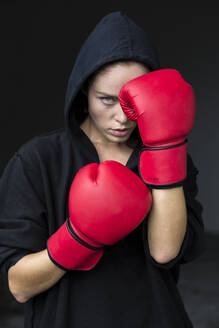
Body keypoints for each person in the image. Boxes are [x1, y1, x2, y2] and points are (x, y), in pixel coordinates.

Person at [0, 11, 205, 328]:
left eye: (130, 104)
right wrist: (78, 236)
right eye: (107, 99)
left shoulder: (168, 155)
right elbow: (20, 286)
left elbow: (165, 252)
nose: (122, 118)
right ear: (84, 90)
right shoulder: (38, 160)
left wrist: (166, 150)